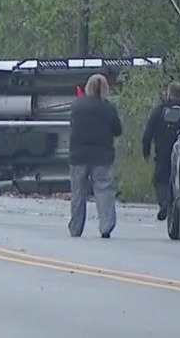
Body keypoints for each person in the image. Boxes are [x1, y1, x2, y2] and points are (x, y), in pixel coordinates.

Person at [68, 73, 123, 238]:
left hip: (79, 155)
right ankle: (106, 226)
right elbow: (118, 130)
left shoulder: (78, 106)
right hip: (102, 155)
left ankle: (76, 228)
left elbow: (72, 126)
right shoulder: (108, 108)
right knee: (104, 191)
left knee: (78, 192)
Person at [141, 82, 180, 221]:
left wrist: (146, 152)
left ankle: (165, 203)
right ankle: (176, 204)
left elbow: (148, 134)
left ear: (168, 93)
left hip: (163, 151)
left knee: (160, 179)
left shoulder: (159, 110)